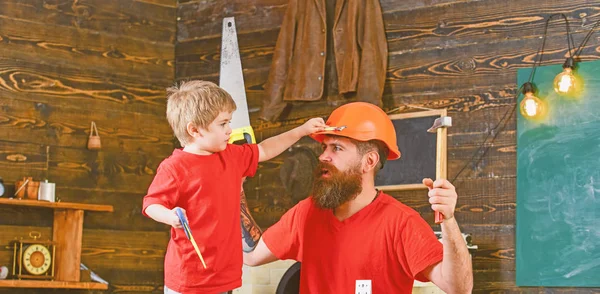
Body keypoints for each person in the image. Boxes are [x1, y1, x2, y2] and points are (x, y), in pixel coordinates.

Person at [243, 102, 473, 293]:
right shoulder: (307, 213)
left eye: (337, 148)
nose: (323, 156)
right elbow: (251, 255)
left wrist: (449, 220)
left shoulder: (401, 223)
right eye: (324, 148)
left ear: (369, 162)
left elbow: (459, 288)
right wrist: (231, 187)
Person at [141, 80, 326, 294]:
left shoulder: (231, 155)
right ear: (194, 130)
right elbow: (151, 204)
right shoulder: (174, 167)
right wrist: (170, 216)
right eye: (223, 124)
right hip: (188, 279)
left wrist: (301, 131)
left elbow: (264, 149)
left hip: (225, 276)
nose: (230, 130)